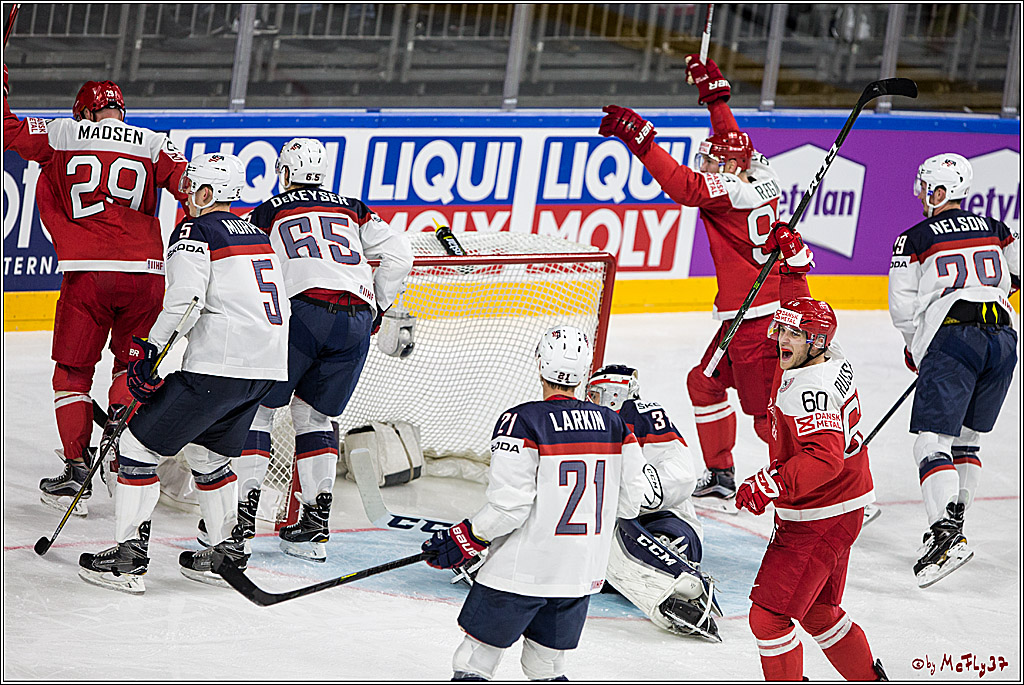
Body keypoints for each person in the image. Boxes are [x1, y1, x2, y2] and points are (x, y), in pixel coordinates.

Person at [599, 55, 812, 512]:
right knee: (705, 382)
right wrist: (716, 98)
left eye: (714, 161)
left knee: (765, 414)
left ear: (730, 168)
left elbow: (683, 186)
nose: (707, 165)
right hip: (748, 311)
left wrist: (642, 142)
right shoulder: (761, 176)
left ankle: (808, 478)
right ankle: (720, 473)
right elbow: (731, 144)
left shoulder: (729, 192)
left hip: (757, 320)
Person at [77, 152, 289, 594]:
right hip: (267, 368)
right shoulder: (258, 234)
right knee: (210, 457)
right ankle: (223, 553)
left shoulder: (195, 229)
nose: (188, 194)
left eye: (193, 187)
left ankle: (127, 558)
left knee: (136, 448)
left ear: (208, 193)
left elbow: (187, 300)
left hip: (219, 366)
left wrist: (148, 350)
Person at [206, 137, 413, 562]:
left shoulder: (270, 209)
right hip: (356, 317)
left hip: (302, 313)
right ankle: (315, 529)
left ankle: (240, 522)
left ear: (285, 172)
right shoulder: (353, 207)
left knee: (260, 412)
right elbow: (399, 254)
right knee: (315, 416)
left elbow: (240, 259)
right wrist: (381, 305)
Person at [4, 70, 188, 516]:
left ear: (84, 111)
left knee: (72, 370)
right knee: (131, 365)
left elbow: (6, 129)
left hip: (89, 274)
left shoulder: (63, 132)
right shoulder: (152, 141)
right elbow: (193, 187)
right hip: (147, 274)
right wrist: (183, 240)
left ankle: (75, 471)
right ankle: (121, 458)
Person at [421, 326, 648, 681]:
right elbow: (632, 502)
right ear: (585, 371)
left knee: (474, 661)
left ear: (540, 364)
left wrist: (465, 537)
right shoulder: (617, 425)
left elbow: (508, 508)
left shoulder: (521, 421)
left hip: (520, 573)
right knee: (546, 667)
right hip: (579, 573)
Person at [735, 277, 886, 681]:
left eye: (793, 334)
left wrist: (773, 483)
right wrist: (792, 270)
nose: (782, 339)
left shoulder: (808, 387)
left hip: (819, 514)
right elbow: (802, 309)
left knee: (768, 619)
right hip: (843, 504)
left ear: (815, 342)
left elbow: (824, 458)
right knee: (820, 612)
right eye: (781, 329)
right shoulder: (829, 354)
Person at [888, 153, 1019, 588]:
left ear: (940, 191)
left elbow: (903, 310)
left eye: (926, 186)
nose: (920, 193)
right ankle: (956, 520)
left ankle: (944, 537)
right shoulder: (999, 228)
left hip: (953, 336)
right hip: (1004, 338)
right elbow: (1016, 274)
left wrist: (917, 350)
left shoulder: (913, 238)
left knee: (931, 440)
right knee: (967, 440)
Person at [586, 364, 723, 641]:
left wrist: (634, 495)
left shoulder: (644, 415)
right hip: (610, 525)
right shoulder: (590, 421)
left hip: (665, 517)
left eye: (596, 394)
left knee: (657, 539)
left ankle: (684, 589)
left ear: (615, 393)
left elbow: (681, 475)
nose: (591, 401)